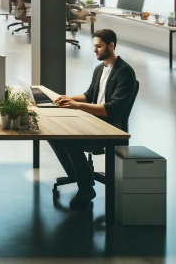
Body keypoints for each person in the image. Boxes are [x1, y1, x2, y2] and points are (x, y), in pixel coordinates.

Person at [50, 29, 137, 206]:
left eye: (98, 46)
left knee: (69, 140)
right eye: (94, 46)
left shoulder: (125, 72)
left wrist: (78, 106)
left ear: (111, 46)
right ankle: (80, 175)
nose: (94, 50)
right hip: (93, 119)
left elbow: (113, 110)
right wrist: (68, 98)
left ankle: (85, 189)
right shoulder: (100, 68)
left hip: (110, 126)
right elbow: (90, 95)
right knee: (53, 133)